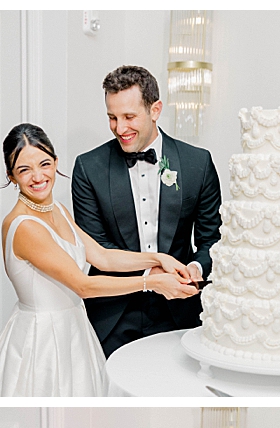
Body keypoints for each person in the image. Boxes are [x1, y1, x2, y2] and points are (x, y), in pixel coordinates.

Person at [0, 124, 198, 396]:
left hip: (74, 330)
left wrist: (157, 257)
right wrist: (151, 282)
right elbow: (83, 286)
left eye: (44, 164)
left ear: (56, 163)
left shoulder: (58, 210)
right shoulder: (24, 227)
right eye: (24, 170)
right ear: (11, 176)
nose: (38, 176)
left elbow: (102, 256)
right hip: (42, 340)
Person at [72, 65, 222, 357]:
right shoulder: (88, 168)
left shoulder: (197, 164)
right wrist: (152, 274)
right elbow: (97, 246)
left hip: (180, 309)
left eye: (129, 117)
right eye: (112, 118)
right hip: (113, 314)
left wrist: (193, 269)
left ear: (155, 109)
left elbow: (211, 241)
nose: (120, 128)